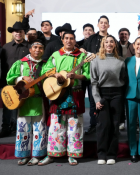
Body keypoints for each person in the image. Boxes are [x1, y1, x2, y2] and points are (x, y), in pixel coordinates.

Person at [38, 31, 90, 166]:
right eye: (66, 38)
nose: (69, 41)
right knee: (56, 125)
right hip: (58, 93)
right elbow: (45, 71)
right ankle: (52, 154)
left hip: (75, 93)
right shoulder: (56, 55)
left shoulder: (82, 55)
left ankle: (72, 154)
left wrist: (76, 77)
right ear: (62, 40)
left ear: (75, 41)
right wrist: (55, 75)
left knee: (75, 126)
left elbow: (87, 75)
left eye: (71, 38)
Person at [6, 39, 48, 165]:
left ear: (43, 51)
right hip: (23, 101)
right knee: (22, 129)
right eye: (35, 47)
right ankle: (24, 155)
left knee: (39, 129)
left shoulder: (46, 65)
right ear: (30, 49)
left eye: (40, 48)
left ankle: (37, 155)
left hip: (38, 101)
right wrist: (22, 77)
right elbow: (9, 78)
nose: (37, 50)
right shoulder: (20, 63)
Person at [91, 35, 126, 165]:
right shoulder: (96, 60)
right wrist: (97, 100)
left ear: (115, 44)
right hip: (102, 94)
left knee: (114, 125)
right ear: (103, 44)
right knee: (103, 125)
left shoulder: (121, 61)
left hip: (117, 94)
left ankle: (112, 154)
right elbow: (93, 82)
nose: (109, 44)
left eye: (112, 41)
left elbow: (123, 79)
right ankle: (101, 154)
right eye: (107, 42)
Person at [0, 22, 31, 138]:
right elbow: (2, 64)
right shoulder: (6, 47)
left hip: (23, 82)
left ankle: (20, 129)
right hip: (9, 81)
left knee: (22, 104)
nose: (18, 33)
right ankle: (5, 128)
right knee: (8, 105)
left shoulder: (29, 47)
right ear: (13, 33)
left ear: (23, 33)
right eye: (16, 31)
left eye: (20, 31)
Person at [80, 15, 111, 135]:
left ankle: (103, 125)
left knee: (102, 101)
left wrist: (97, 55)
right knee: (92, 102)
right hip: (90, 74)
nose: (103, 24)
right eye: (101, 22)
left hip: (104, 75)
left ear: (108, 25)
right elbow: (83, 48)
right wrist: (82, 49)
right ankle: (94, 124)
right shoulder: (91, 38)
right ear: (98, 25)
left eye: (105, 23)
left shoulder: (111, 39)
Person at [117, 27, 131, 130]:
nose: (124, 36)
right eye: (122, 34)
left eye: (126, 34)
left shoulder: (133, 46)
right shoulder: (114, 45)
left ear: (129, 36)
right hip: (117, 76)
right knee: (120, 101)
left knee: (129, 101)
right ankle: (121, 121)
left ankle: (131, 123)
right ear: (119, 36)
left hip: (130, 76)